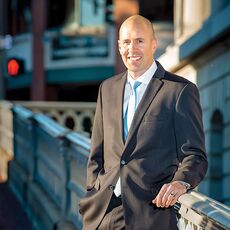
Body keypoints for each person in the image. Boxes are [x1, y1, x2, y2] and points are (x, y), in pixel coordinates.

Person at [79, 15, 208, 230]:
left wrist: (180, 182)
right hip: (102, 213)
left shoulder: (179, 90)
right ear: (119, 46)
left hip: (149, 214)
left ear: (154, 44)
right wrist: (92, 190)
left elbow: (195, 155)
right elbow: (97, 153)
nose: (132, 48)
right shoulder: (107, 89)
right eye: (126, 42)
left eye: (140, 41)